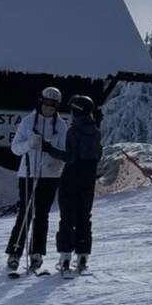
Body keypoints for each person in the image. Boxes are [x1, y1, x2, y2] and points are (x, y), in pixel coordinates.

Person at [7, 87, 68, 275]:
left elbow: (64, 152)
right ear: (41, 101)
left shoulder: (61, 126)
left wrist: (53, 159)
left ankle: (37, 252)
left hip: (49, 176)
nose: (49, 107)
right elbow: (15, 148)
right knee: (25, 213)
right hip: (28, 174)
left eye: (54, 104)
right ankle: (15, 252)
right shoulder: (27, 122)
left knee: (42, 215)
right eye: (47, 103)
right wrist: (29, 144)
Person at [57, 94, 102, 273]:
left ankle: (65, 256)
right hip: (88, 177)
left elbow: (70, 156)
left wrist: (50, 149)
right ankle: (82, 255)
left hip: (72, 176)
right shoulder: (96, 131)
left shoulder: (74, 131)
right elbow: (98, 155)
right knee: (84, 216)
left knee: (67, 216)